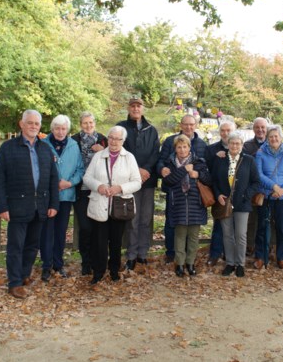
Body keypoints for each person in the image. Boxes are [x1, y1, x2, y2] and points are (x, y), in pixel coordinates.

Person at [0, 110, 59, 299]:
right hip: (17, 206)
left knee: (32, 245)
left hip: (40, 206)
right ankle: (14, 283)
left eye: (36, 124)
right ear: (21, 124)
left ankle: (23, 275)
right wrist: (3, 206)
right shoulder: (8, 148)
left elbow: (53, 178)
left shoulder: (45, 149)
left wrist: (53, 203)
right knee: (16, 246)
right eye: (29, 123)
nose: (33, 126)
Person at [83, 126, 142, 284]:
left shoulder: (129, 158)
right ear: (107, 138)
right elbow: (87, 178)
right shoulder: (98, 156)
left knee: (116, 242)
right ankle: (98, 271)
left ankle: (114, 270)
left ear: (123, 140)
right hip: (100, 204)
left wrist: (120, 188)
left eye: (118, 139)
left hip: (119, 206)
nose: (114, 141)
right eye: (111, 138)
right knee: (99, 242)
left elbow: (137, 182)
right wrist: (98, 186)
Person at [40, 115, 84, 281]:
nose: (60, 132)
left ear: (68, 130)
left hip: (65, 195)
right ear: (52, 129)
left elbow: (80, 170)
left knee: (60, 231)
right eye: (57, 128)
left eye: (63, 128)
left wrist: (70, 183)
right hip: (47, 196)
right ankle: (46, 265)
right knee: (46, 231)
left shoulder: (73, 145)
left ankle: (58, 264)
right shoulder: (43, 144)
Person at [158, 114, 207, 263]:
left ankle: (187, 257)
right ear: (181, 125)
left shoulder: (201, 144)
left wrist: (198, 174)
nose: (188, 127)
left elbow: (206, 167)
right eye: (185, 124)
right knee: (172, 222)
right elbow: (161, 160)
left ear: (196, 125)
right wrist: (161, 169)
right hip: (174, 191)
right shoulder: (169, 141)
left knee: (192, 227)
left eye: (191, 124)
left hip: (194, 194)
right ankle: (172, 253)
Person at [118, 98, 160, 271]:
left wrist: (146, 170)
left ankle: (143, 254)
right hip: (129, 181)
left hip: (147, 180)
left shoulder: (152, 130)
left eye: (139, 106)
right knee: (132, 220)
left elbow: (155, 153)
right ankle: (131, 255)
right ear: (128, 108)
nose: (136, 108)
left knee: (145, 219)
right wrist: (136, 171)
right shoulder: (122, 127)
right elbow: (122, 151)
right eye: (133, 106)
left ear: (143, 108)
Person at [212, 131, 260, 277]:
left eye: (237, 143)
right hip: (224, 203)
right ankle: (230, 263)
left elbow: (256, 182)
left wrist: (246, 195)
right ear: (228, 144)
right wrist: (218, 194)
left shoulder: (249, 160)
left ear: (242, 145)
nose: (234, 145)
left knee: (240, 235)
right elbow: (213, 180)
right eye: (232, 143)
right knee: (227, 235)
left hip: (243, 203)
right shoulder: (220, 159)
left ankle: (240, 264)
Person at [162, 135, 212, 277]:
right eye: (179, 147)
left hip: (195, 203)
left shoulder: (199, 162)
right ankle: (180, 264)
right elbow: (168, 181)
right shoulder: (170, 163)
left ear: (189, 148)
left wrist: (198, 174)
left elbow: (209, 180)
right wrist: (184, 169)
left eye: (185, 146)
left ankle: (190, 263)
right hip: (177, 204)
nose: (182, 149)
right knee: (179, 236)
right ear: (175, 149)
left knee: (193, 237)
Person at [254, 125, 283, 269]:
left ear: (281, 137)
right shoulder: (260, 153)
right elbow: (259, 175)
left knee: (282, 228)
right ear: (267, 138)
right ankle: (260, 256)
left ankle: (281, 256)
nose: (273, 139)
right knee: (262, 227)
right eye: (271, 136)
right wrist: (274, 187)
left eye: (276, 136)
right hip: (266, 195)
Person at [72, 112, 107, 275]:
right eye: (85, 123)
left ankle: (97, 260)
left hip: (99, 189)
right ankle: (85, 261)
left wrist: (103, 150)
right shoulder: (74, 140)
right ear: (80, 124)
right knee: (85, 227)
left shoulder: (103, 139)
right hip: (81, 189)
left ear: (95, 123)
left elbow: (112, 157)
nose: (88, 125)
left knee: (98, 227)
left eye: (91, 122)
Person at [205, 120, 236, 266]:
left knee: (235, 225)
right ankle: (215, 253)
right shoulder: (211, 149)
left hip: (236, 193)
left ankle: (229, 253)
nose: (225, 133)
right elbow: (208, 171)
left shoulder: (240, 147)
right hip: (220, 193)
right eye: (222, 130)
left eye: (228, 130)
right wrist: (216, 157)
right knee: (219, 223)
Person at [242, 117, 269, 254]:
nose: (260, 130)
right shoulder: (247, 145)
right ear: (253, 129)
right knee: (251, 219)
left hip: (269, 187)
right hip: (253, 187)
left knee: (267, 219)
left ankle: (266, 245)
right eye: (257, 127)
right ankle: (250, 245)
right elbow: (246, 164)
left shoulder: (273, 142)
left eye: (263, 127)